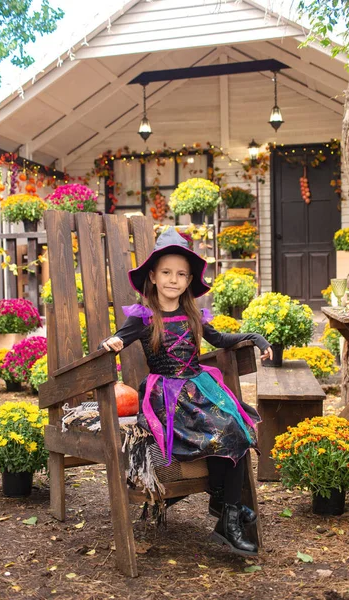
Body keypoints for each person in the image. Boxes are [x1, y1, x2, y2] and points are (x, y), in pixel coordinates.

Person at [101, 227, 272, 558]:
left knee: (237, 428)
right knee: (221, 431)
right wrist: (112, 343)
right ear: (152, 276)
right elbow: (113, 341)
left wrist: (256, 338)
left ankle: (227, 510)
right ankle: (226, 507)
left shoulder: (193, 314)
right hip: (166, 396)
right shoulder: (143, 317)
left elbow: (220, 340)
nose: (173, 279)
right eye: (166, 272)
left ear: (190, 279)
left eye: (181, 274)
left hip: (199, 386)